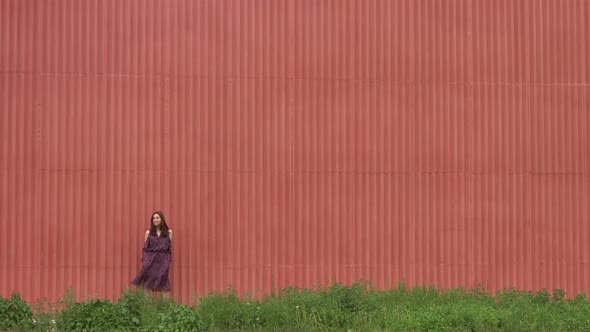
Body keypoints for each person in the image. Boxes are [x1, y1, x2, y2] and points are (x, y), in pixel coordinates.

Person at [131, 211, 173, 292]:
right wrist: (145, 261)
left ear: (162, 219)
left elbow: (168, 248)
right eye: (153, 218)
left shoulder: (169, 232)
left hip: (163, 259)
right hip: (151, 259)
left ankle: (165, 304)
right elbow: (145, 249)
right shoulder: (148, 233)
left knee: (163, 279)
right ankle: (148, 304)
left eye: (157, 218)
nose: (155, 220)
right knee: (148, 280)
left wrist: (168, 261)